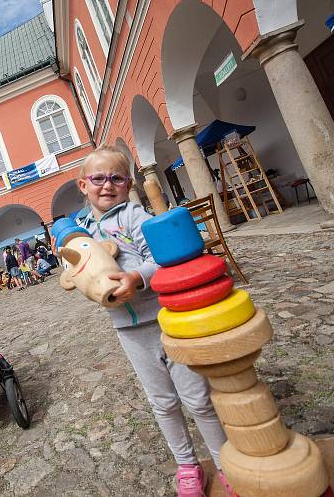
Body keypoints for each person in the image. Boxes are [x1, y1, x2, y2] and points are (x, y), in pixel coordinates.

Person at [58, 145, 231, 497]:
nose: (107, 185)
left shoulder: (135, 217)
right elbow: (79, 271)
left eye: (116, 178)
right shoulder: (82, 231)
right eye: (98, 179)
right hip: (129, 330)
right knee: (163, 402)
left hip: (167, 318)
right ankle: (187, 466)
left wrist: (136, 277)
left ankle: (224, 461)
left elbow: (160, 259)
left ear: (129, 183)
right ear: (82, 185)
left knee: (197, 398)